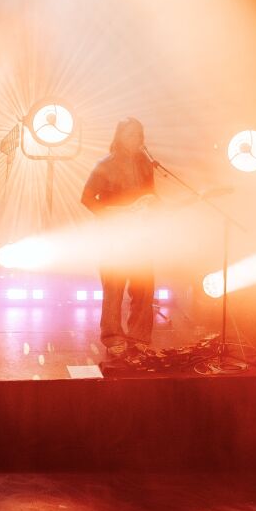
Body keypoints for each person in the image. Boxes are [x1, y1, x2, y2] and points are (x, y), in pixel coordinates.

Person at [80, 117, 157, 359]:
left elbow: (150, 196)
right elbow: (87, 198)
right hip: (113, 234)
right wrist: (111, 215)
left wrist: (153, 206)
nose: (136, 138)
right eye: (131, 134)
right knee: (113, 287)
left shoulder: (146, 164)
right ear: (119, 136)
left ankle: (139, 337)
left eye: (139, 134)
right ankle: (113, 336)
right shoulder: (105, 165)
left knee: (144, 287)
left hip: (140, 235)